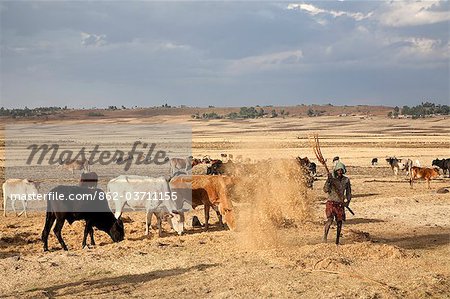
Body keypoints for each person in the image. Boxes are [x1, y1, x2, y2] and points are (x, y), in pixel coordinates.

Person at [323, 161, 351, 244]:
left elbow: (348, 193)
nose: (340, 172)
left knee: (339, 222)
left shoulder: (346, 180)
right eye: (338, 170)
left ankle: (337, 241)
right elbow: (325, 190)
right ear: (335, 171)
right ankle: (324, 238)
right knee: (330, 220)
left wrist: (347, 202)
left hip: (340, 204)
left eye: (341, 170)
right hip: (331, 203)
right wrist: (328, 181)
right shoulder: (332, 179)